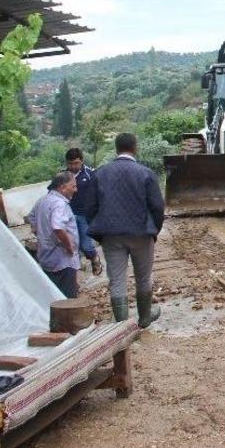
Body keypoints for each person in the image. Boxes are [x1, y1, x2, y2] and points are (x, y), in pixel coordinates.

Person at [88, 133, 164, 328]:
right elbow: (157, 206)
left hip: (111, 235)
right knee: (143, 277)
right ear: (135, 147)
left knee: (117, 280)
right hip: (141, 233)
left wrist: (100, 232)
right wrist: (154, 230)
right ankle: (145, 318)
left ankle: (121, 327)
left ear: (116, 149)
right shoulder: (146, 173)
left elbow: (90, 207)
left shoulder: (100, 174)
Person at [27, 172, 80, 298]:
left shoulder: (42, 200)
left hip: (46, 256)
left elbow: (31, 217)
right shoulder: (59, 204)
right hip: (63, 259)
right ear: (62, 187)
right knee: (67, 299)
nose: (75, 190)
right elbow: (58, 227)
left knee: (53, 295)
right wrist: (69, 247)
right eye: (73, 186)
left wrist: (41, 233)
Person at [64, 148, 103, 276]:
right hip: (67, 216)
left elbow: (99, 193)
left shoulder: (91, 174)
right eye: (70, 163)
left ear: (82, 161)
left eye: (76, 163)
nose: (73, 166)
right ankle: (75, 275)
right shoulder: (63, 176)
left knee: (86, 245)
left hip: (85, 216)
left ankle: (94, 257)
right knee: (72, 245)